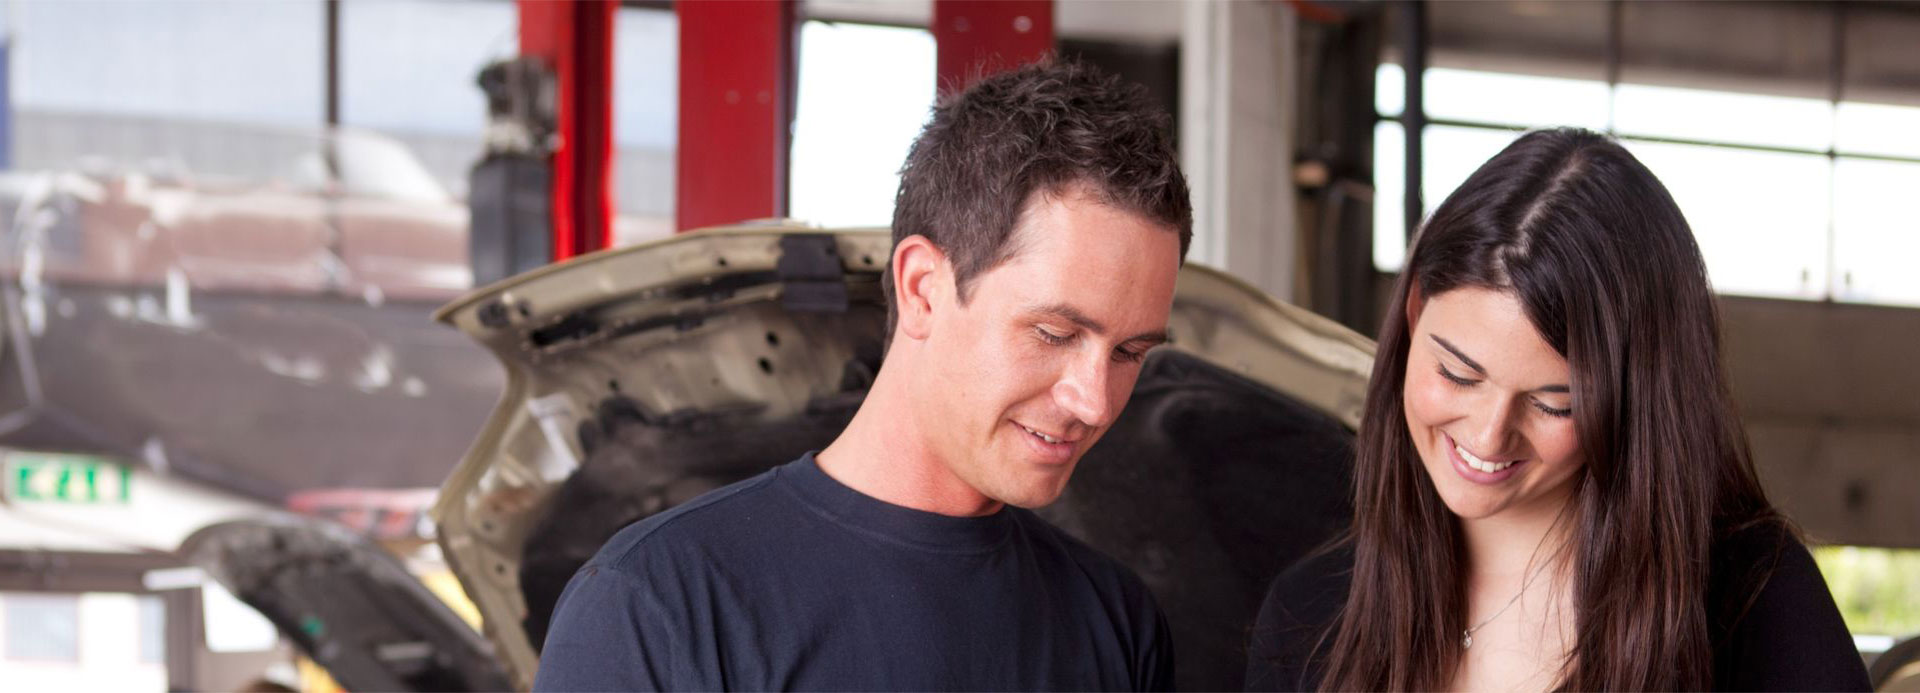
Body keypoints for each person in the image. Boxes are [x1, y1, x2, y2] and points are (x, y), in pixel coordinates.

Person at [535, 61, 1188, 691]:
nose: (1094, 401)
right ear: (922, 289)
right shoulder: (657, 607)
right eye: (1054, 333)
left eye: (1129, 351)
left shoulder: (1116, 622)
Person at [1246, 128, 1870, 691]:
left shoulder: (1753, 606)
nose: (1490, 435)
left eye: (1553, 405)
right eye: (1458, 375)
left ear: (1634, 403)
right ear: (1413, 315)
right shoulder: (1311, 618)